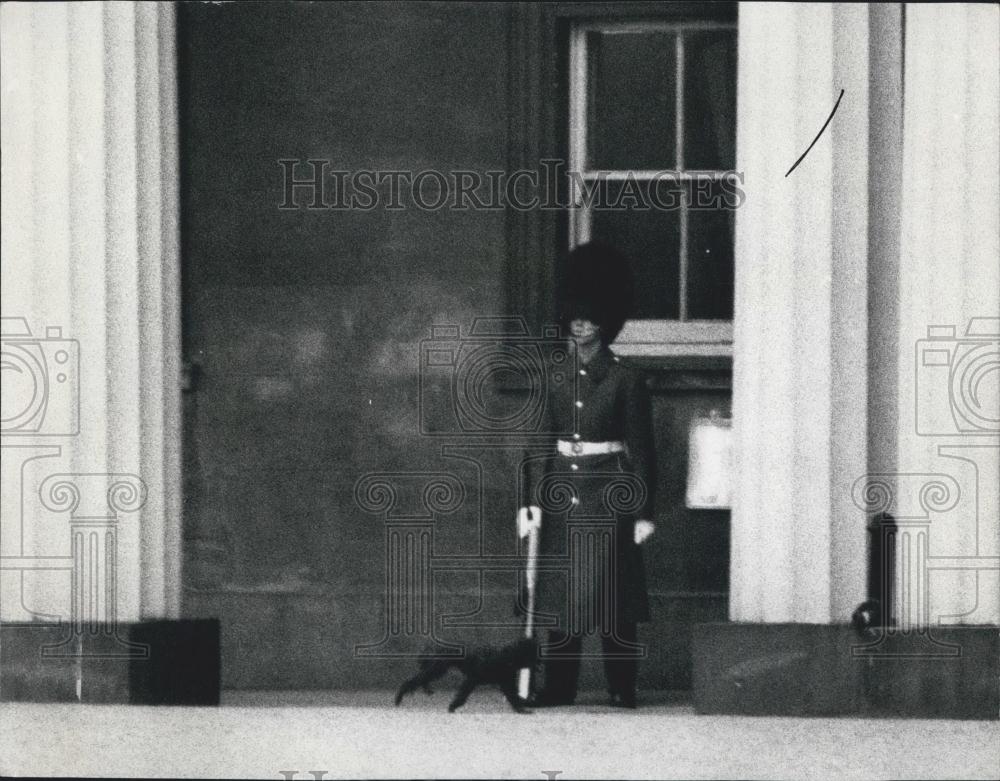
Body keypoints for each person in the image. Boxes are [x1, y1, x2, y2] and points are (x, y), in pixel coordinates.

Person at [518, 241, 656, 709]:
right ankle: (559, 687)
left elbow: (641, 450)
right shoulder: (553, 375)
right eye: (574, 316)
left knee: (614, 597)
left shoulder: (626, 378)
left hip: (610, 494)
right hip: (561, 494)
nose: (579, 324)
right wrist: (528, 502)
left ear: (605, 320)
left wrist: (643, 511)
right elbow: (538, 442)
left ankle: (622, 686)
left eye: (588, 316)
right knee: (560, 594)